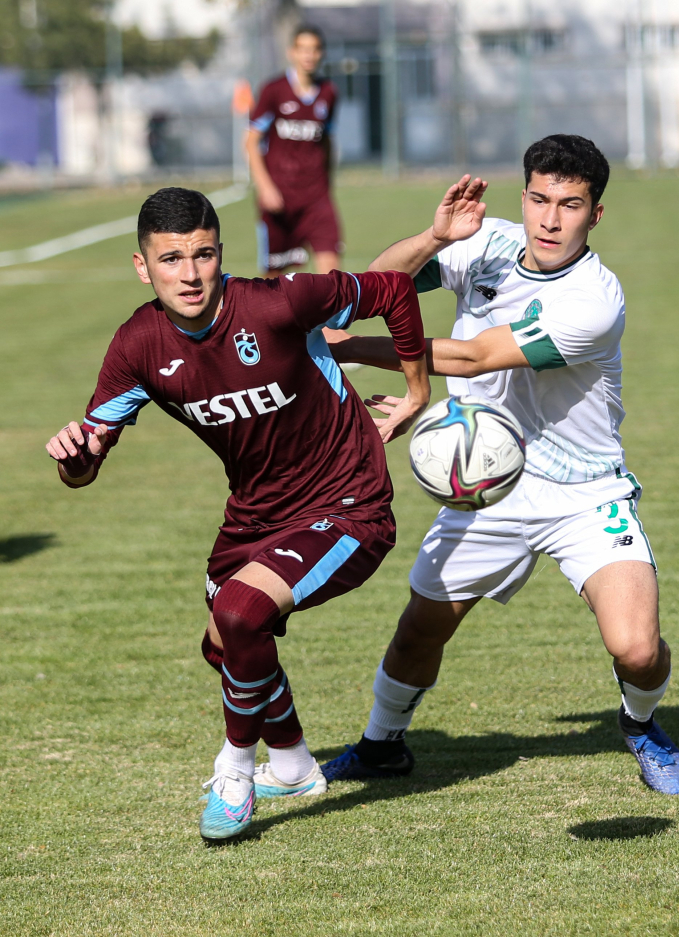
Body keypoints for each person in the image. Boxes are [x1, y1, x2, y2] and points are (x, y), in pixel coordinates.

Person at [45, 187, 430, 843]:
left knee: (240, 613)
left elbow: (392, 289)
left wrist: (418, 389)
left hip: (348, 501)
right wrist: (75, 455)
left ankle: (236, 771)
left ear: (222, 253)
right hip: (255, 513)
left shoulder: (279, 302)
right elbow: (84, 467)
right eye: (170, 259)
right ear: (143, 267)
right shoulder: (138, 345)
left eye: (202, 255)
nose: (189, 273)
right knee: (223, 646)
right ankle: (293, 763)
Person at [323, 135, 679, 795]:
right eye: (541, 199)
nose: (551, 219)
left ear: (595, 215)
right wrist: (434, 238)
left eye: (571, 205)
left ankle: (641, 722)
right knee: (419, 630)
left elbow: (473, 357)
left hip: (583, 490)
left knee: (636, 647)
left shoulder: (593, 301)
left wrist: (351, 349)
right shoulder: (483, 243)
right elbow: (377, 285)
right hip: (486, 485)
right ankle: (380, 746)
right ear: (522, 197)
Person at [247, 24, 341, 277]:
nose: (309, 55)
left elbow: (327, 141)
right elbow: (251, 142)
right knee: (274, 287)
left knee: (334, 282)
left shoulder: (329, 92)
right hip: (280, 197)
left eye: (315, 49)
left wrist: (327, 181)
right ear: (292, 53)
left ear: (322, 53)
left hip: (316, 197)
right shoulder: (273, 90)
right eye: (303, 49)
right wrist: (264, 187)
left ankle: (330, 318)